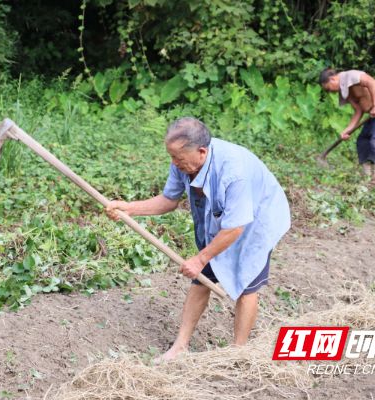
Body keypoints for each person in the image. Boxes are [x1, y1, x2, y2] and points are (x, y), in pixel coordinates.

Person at [105, 117, 291, 361]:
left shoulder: (235, 172)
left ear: (202, 151)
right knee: (202, 279)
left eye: (178, 159)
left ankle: (238, 352)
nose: (174, 163)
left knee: (247, 281)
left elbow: (235, 227)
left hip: (257, 218)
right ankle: (180, 346)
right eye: (172, 157)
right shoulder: (183, 160)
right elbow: (169, 200)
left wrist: (201, 257)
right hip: (222, 219)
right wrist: (129, 208)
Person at [319, 68, 375, 181]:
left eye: (328, 88)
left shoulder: (351, 75)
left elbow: (371, 83)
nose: (329, 92)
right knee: (362, 141)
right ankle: (367, 178)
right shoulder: (345, 90)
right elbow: (358, 111)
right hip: (372, 112)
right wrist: (347, 130)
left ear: (332, 79)